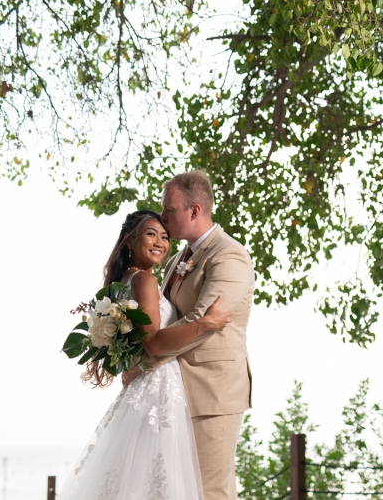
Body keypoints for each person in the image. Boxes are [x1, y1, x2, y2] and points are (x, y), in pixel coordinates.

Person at [59, 209, 233, 500]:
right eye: (151, 234)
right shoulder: (145, 281)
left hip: (145, 384)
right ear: (129, 241)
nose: (160, 243)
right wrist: (206, 323)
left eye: (165, 237)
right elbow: (152, 342)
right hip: (159, 389)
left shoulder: (123, 282)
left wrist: (134, 364)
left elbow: (138, 343)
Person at [122, 170, 254, 500]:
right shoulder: (179, 257)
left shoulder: (229, 254)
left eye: (169, 210)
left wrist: (147, 357)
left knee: (210, 492)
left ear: (194, 210)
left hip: (212, 391)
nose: (163, 217)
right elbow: (162, 319)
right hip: (174, 393)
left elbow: (202, 321)